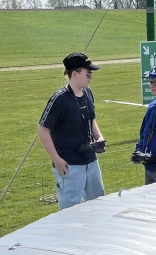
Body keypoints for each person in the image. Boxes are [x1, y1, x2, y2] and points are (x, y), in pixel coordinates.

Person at [38, 52, 106, 210]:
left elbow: (91, 120)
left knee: (99, 205)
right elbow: (43, 129)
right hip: (70, 165)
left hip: (91, 161)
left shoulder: (88, 93)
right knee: (70, 210)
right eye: (88, 73)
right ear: (74, 74)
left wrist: (99, 137)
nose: (91, 77)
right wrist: (57, 159)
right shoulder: (59, 99)